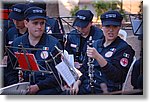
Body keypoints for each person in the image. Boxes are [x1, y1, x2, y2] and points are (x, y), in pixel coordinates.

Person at [70, 10, 135, 95]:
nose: (111, 30)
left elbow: (118, 77)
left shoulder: (124, 49)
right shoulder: (95, 44)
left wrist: (98, 57)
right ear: (102, 27)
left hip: (105, 90)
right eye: (107, 26)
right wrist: (77, 82)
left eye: (115, 27)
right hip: (86, 86)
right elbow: (85, 68)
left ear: (119, 27)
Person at [5, 7, 63, 95]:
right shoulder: (17, 43)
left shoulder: (54, 44)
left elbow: (57, 75)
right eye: (35, 23)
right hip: (23, 87)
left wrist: (38, 87)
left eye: (42, 23)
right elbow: (10, 71)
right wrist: (16, 86)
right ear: (26, 23)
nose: (39, 27)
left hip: (47, 89)